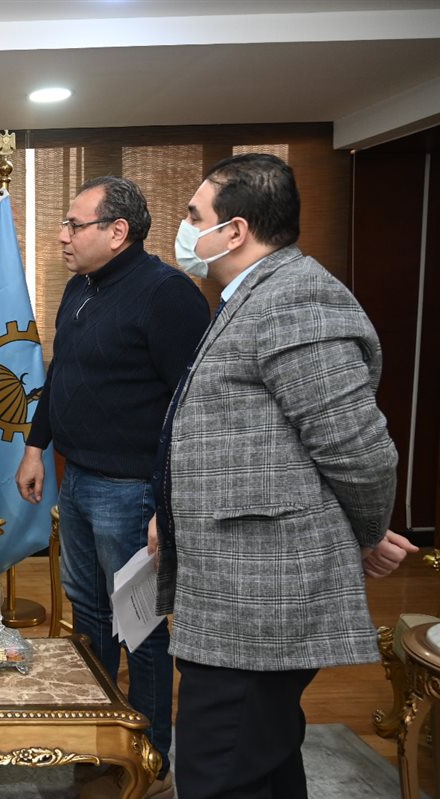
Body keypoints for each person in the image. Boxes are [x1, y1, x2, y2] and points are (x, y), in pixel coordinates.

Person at [150, 153, 417, 798]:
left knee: (218, 770)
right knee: (264, 762)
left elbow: (360, 451)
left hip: (260, 595)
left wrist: (365, 533)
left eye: (194, 216)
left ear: (235, 231)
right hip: (237, 587)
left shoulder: (296, 298)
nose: (185, 228)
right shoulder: (253, 294)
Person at [15, 176, 208, 798]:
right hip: (76, 481)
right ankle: (100, 740)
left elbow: (191, 410)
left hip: (134, 493)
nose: (62, 236)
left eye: (74, 225)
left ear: (117, 231)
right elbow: (60, 376)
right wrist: (36, 446)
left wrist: (167, 505)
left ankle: (149, 761)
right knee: (91, 619)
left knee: (141, 629)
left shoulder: (168, 296)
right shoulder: (80, 286)